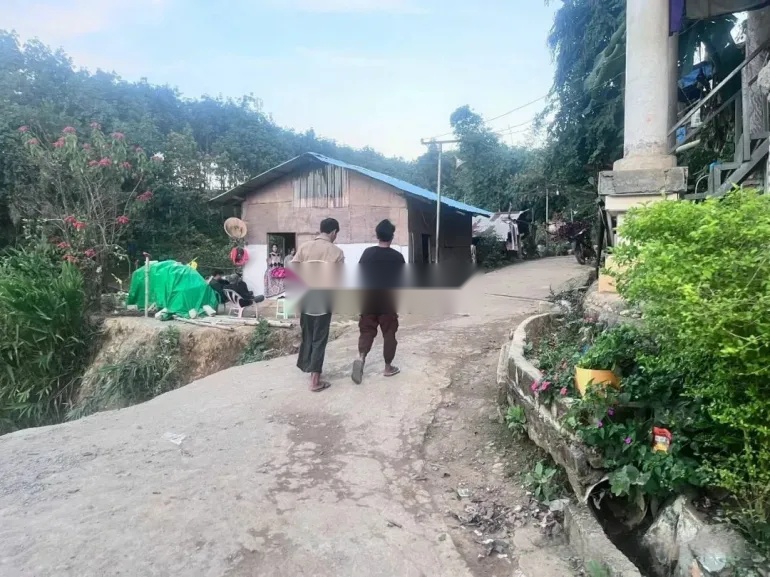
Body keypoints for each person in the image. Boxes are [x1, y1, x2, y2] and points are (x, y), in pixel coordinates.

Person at [291, 218, 345, 393]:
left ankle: (309, 369)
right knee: (319, 337)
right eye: (336, 234)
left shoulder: (304, 247)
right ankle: (315, 380)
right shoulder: (336, 252)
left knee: (308, 335)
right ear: (333, 232)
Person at [351, 219, 404, 384]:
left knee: (366, 331)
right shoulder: (397, 257)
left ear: (377, 235)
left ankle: (361, 357)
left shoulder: (368, 253)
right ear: (392, 236)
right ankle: (388, 368)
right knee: (389, 333)